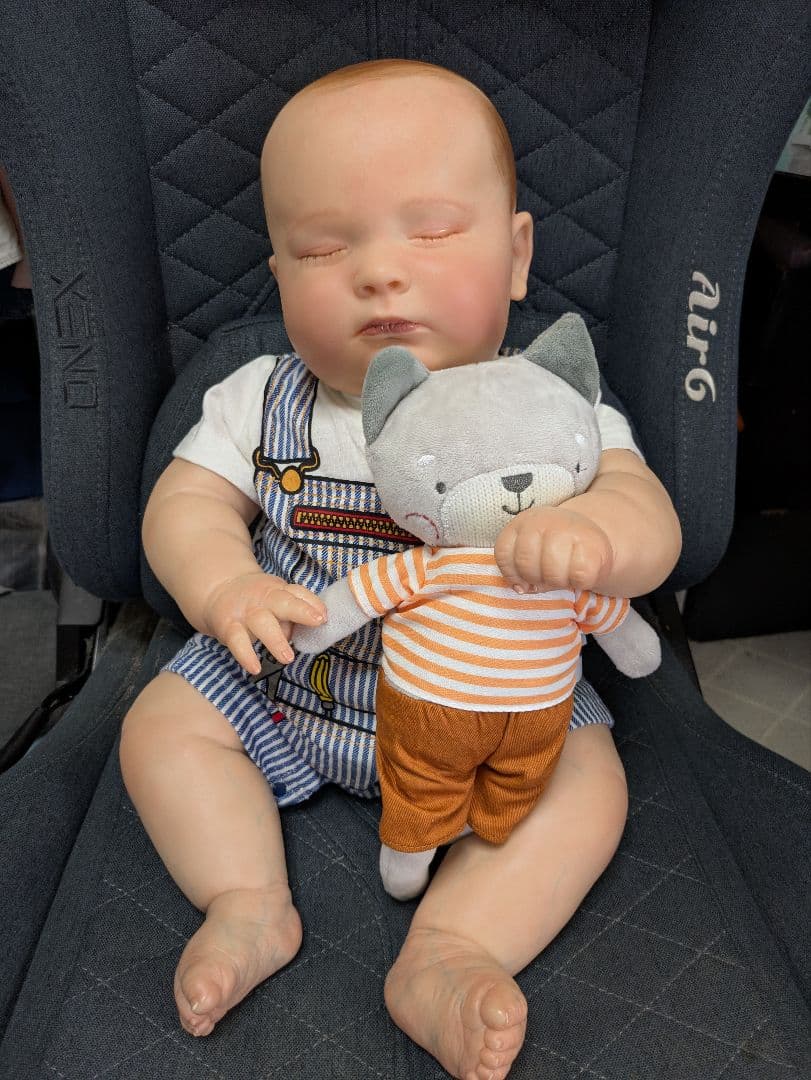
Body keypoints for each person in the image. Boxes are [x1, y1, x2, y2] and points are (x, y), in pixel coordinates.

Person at [120, 59, 682, 1080]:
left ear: (516, 256)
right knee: (162, 727)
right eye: (322, 248)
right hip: (288, 689)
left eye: (429, 233)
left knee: (589, 784)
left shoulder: (552, 407)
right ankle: (245, 899)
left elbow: (649, 516)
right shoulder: (262, 399)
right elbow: (186, 503)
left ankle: (452, 947)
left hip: (503, 722)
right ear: (280, 275)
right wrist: (221, 585)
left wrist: (600, 536)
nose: (378, 272)